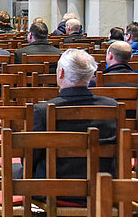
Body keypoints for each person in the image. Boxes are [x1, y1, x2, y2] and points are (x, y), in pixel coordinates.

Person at [28, 49, 117, 204]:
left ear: (60, 72)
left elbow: (31, 157)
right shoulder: (112, 106)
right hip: (104, 186)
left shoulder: (43, 110)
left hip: (55, 189)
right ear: (91, 76)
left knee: (17, 171)